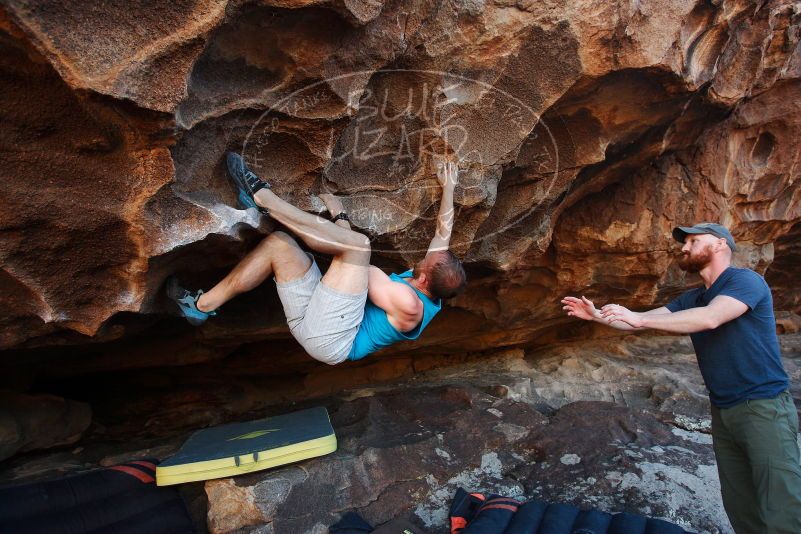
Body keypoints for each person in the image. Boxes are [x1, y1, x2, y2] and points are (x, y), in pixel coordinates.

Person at [562, 222, 801, 533]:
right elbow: (638, 324)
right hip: (724, 410)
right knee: (742, 506)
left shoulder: (745, 281)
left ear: (720, 244)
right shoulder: (693, 298)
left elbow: (712, 318)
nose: (684, 248)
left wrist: (639, 317)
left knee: (781, 504)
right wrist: (597, 316)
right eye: (684, 242)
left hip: (763, 407)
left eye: (693, 240)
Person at [168, 152, 467, 365]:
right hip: (317, 316)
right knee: (279, 245)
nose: (430, 253)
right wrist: (449, 187)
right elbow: (443, 232)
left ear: (425, 278)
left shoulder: (410, 304)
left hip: (332, 339)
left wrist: (341, 219)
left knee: (360, 246)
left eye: (430, 259)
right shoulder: (433, 279)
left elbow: (356, 262)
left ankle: (264, 199)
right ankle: (200, 306)